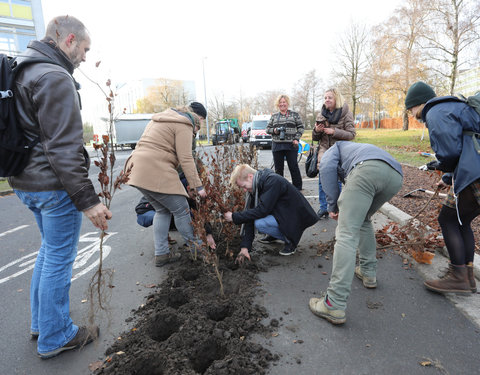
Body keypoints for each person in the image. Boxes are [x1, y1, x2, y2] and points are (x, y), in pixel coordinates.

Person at [7, 16, 111, 358]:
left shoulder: (23, 68)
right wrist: (88, 200)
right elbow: (63, 148)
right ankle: (56, 335)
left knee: (49, 252)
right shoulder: (55, 76)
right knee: (59, 258)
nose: (84, 56)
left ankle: (43, 323)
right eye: (84, 48)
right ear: (68, 40)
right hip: (53, 187)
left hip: (25, 181)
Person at [308, 141, 403, 325]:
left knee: (346, 235)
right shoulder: (353, 149)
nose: (319, 164)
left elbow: (327, 169)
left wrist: (332, 205)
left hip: (366, 172)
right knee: (364, 219)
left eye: (318, 162)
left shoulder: (331, 150)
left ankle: (333, 303)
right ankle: (368, 272)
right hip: (395, 176)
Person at [405, 81, 480, 294]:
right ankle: (467, 276)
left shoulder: (435, 112)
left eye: (411, 109)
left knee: (447, 219)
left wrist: (439, 166)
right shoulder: (450, 107)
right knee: (460, 220)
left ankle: (458, 278)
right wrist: (447, 177)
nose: (412, 114)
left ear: (417, 104)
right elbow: (462, 145)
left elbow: (449, 153)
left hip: (474, 173)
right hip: (473, 169)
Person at [125, 102, 207, 267]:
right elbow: (185, 158)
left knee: (162, 210)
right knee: (182, 209)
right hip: (155, 168)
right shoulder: (185, 123)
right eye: (200, 124)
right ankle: (198, 249)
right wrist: (198, 187)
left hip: (135, 169)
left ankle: (162, 254)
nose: (196, 131)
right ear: (197, 118)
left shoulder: (161, 119)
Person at [223, 164, 318, 259]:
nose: (244, 190)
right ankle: (276, 234)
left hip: (296, 216)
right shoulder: (257, 186)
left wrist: (234, 217)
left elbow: (262, 211)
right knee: (257, 220)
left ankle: (291, 240)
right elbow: (250, 216)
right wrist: (245, 247)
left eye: (243, 186)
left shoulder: (272, 181)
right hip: (284, 213)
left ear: (250, 177)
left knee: (260, 223)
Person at [312, 88, 356, 219]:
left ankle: (336, 207)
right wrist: (317, 130)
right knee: (322, 179)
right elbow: (315, 138)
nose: (327, 100)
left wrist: (334, 132)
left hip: (340, 150)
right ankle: (323, 208)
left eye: (330, 97)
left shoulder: (345, 112)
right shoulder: (321, 114)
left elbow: (352, 134)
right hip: (324, 151)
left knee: (336, 179)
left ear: (336, 99)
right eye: (325, 98)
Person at [266, 94, 304, 191]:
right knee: (278, 169)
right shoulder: (274, 116)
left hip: (291, 145)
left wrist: (296, 138)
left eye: (284, 102)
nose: (282, 104)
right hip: (277, 145)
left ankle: (297, 189)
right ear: (278, 104)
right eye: (280, 102)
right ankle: (280, 189)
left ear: (287, 103)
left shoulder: (294, 115)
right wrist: (274, 130)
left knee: (293, 167)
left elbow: (301, 127)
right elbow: (267, 129)